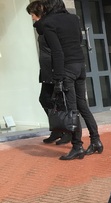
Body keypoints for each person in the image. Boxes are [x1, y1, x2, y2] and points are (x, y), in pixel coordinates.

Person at [38, 0, 103, 160]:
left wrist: (58, 78)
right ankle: (96, 141)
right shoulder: (74, 18)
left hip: (67, 69)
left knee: (72, 110)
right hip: (80, 65)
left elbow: (57, 52)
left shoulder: (49, 23)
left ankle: (77, 147)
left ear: (48, 7)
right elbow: (79, 42)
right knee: (83, 106)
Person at [26, 0, 71, 145]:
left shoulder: (48, 26)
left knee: (59, 102)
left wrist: (57, 71)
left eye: (32, 14)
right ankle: (57, 129)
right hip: (46, 70)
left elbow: (57, 51)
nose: (32, 18)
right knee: (45, 100)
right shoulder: (42, 28)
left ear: (39, 12)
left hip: (54, 70)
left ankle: (67, 131)